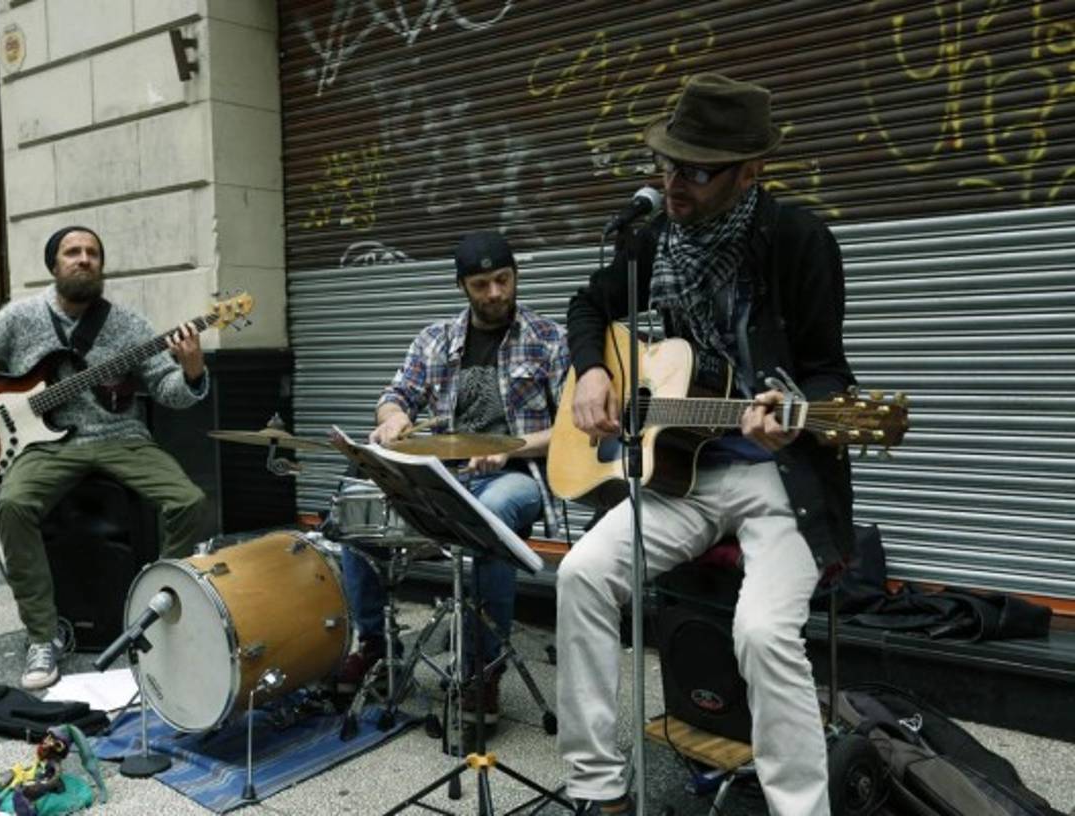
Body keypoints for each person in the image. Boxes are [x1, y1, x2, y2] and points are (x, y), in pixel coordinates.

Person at [557, 73, 856, 815]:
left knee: (761, 632)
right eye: (666, 165)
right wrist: (593, 369)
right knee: (581, 576)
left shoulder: (797, 241)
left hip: (779, 480)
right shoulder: (653, 238)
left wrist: (792, 409)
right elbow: (587, 304)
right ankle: (599, 789)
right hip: (683, 476)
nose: (673, 182)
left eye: (694, 169)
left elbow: (830, 377)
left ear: (750, 171)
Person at [0, 226, 211, 690]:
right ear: (54, 264)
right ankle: (43, 635)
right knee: (14, 505)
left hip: (120, 436)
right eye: (73, 252)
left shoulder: (129, 325)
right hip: (42, 446)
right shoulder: (23, 316)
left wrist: (192, 370)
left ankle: (163, 609)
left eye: (93, 253)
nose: (84, 259)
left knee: (189, 500)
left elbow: (167, 391)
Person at [339, 230, 570, 731]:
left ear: (516, 276)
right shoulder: (435, 339)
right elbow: (395, 393)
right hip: (440, 477)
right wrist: (393, 416)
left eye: (503, 280)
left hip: (518, 474)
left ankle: (480, 671)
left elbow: (573, 427)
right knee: (355, 499)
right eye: (482, 284)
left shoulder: (550, 339)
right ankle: (378, 647)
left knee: (491, 516)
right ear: (462, 286)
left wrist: (506, 447)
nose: (495, 293)